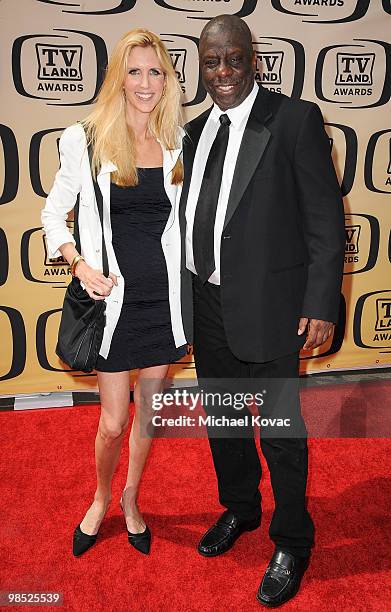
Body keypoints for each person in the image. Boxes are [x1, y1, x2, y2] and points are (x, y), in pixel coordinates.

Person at [178, 14, 345, 607]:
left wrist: (322, 303)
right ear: (202, 65)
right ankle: (241, 509)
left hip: (273, 308)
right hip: (206, 304)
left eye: (235, 59)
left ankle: (293, 538)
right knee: (224, 424)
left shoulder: (294, 120)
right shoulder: (195, 133)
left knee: (279, 433)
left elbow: (326, 221)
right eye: (212, 62)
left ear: (255, 59)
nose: (223, 73)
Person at [41, 28, 187, 557]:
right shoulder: (84, 138)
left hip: (165, 303)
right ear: (118, 78)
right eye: (135, 71)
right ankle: (100, 497)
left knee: (147, 415)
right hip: (113, 304)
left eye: (156, 72)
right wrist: (79, 265)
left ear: (167, 80)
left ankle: (131, 499)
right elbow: (53, 216)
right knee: (113, 421)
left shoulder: (177, 141)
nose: (145, 83)